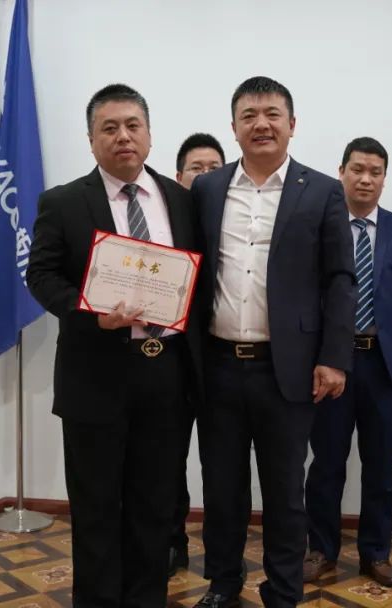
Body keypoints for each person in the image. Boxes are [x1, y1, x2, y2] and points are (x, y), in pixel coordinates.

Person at [27, 83, 203, 606]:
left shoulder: (181, 200)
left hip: (166, 373)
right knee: (97, 509)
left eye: (132, 125)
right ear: (91, 140)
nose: (122, 136)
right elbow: (41, 276)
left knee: (155, 506)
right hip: (95, 375)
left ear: (149, 135)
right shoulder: (63, 202)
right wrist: (91, 313)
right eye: (109, 128)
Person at [192, 76, 355, 607]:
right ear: (233, 126)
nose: (261, 124)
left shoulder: (322, 190)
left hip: (287, 369)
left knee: (285, 492)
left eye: (272, 114)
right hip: (217, 365)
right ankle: (223, 583)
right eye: (249, 115)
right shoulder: (209, 189)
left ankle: (283, 590)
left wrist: (334, 357)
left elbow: (340, 279)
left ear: (292, 123)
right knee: (222, 488)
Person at [302, 137, 392, 588]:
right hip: (332, 364)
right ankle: (321, 550)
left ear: (384, 178)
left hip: (384, 365)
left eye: (375, 172)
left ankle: (376, 553)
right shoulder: (321, 227)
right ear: (340, 172)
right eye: (357, 169)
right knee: (326, 464)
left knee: (381, 466)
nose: (365, 179)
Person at [168, 132, 225, 578]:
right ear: (179, 175)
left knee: (219, 465)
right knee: (165, 460)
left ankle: (221, 559)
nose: (205, 176)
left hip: (218, 362)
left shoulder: (234, 216)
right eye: (196, 168)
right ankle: (172, 541)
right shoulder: (159, 215)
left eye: (214, 169)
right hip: (166, 360)